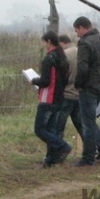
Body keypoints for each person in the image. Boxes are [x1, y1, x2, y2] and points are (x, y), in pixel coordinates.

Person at [72, 16, 100, 167]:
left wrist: (78, 84)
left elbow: (82, 67)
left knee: (87, 122)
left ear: (82, 27)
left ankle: (88, 157)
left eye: (77, 30)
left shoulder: (85, 43)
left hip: (88, 87)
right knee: (91, 121)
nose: (77, 34)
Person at [31, 31, 73, 167]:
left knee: (40, 130)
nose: (44, 45)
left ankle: (63, 146)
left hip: (48, 98)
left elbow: (45, 81)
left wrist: (34, 80)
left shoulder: (48, 59)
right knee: (51, 130)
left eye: (44, 42)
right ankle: (51, 159)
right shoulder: (62, 57)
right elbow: (66, 78)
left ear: (49, 42)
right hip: (60, 97)